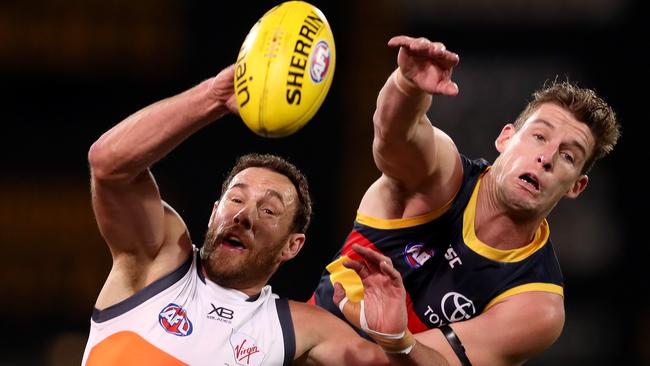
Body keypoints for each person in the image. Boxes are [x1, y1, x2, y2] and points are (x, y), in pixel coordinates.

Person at [310, 35, 621, 366]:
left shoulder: (536, 304)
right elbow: (394, 137)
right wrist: (407, 86)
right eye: (539, 136)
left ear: (576, 186)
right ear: (505, 138)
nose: (546, 157)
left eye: (568, 156)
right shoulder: (442, 177)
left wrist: (399, 342)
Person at [81, 64, 418, 365]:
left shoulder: (299, 328)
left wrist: (398, 343)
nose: (244, 216)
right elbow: (108, 165)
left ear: (292, 246)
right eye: (236, 199)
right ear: (214, 214)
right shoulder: (158, 263)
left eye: (268, 209)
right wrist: (213, 97)